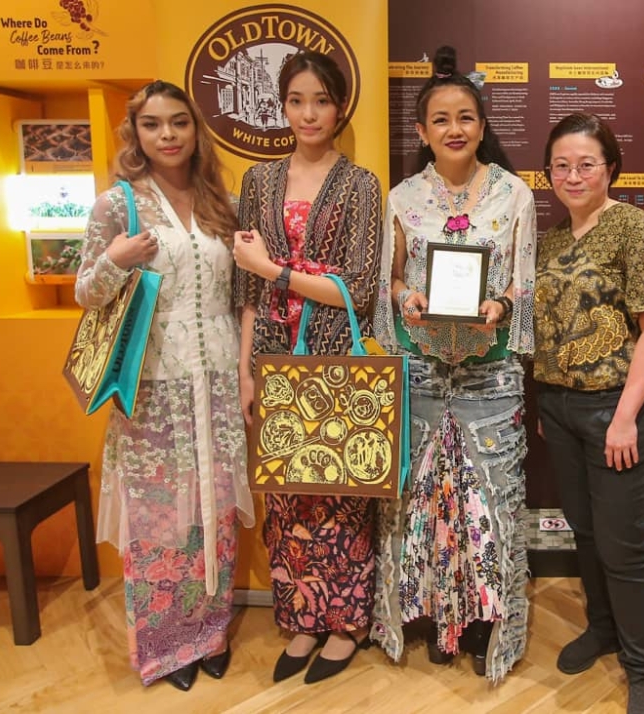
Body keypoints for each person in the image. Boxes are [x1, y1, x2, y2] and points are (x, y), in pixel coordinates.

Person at [75, 80, 255, 691]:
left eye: (179, 122)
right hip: (153, 384)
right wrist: (116, 258)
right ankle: (166, 644)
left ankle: (211, 633)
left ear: (195, 129)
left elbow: (238, 292)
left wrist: (245, 366)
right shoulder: (117, 204)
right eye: (153, 125)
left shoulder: (218, 200)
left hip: (217, 379)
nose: (168, 136)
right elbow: (85, 294)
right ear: (136, 134)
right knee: (159, 518)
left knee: (213, 513)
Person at [372, 45, 536, 683]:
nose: (455, 129)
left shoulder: (512, 194)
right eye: (440, 119)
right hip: (420, 369)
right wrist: (405, 297)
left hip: (488, 374)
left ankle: (485, 622)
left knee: (485, 503)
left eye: (466, 116)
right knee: (426, 499)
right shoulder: (402, 198)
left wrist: (499, 303)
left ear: (482, 124)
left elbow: (523, 283)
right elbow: (388, 283)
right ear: (422, 132)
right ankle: (439, 616)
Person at [232, 51, 382, 684]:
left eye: (322, 100)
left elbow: (362, 286)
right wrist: (245, 369)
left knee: (341, 489)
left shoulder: (360, 184)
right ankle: (301, 620)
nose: (309, 113)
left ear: (340, 106)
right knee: (288, 492)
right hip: (270, 352)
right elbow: (245, 290)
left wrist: (278, 272)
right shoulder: (258, 182)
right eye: (297, 100)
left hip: (334, 358)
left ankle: (346, 624)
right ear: (283, 106)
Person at [532, 113, 644, 714]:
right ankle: (602, 629)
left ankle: (641, 668)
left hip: (619, 409)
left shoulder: (634, 230)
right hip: (561, 408)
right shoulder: (548, 240)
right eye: (562, 165)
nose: (573, 175)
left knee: (625, 544)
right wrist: (551, 399)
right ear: (549, 173)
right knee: (586, 531)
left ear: (611, 169)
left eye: (586, 163)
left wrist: (624, 418)